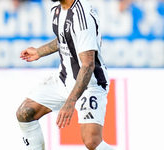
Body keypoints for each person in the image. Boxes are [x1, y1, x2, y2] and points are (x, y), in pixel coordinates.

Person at [16, 0, 114, 149]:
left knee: (92, 141)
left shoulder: (82, 16)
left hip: (90, 84)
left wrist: (70, 101)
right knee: (25, 113)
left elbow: (88, 64)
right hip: (63, 79)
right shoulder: (56, 8)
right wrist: (39, 52)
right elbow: (65, 37)